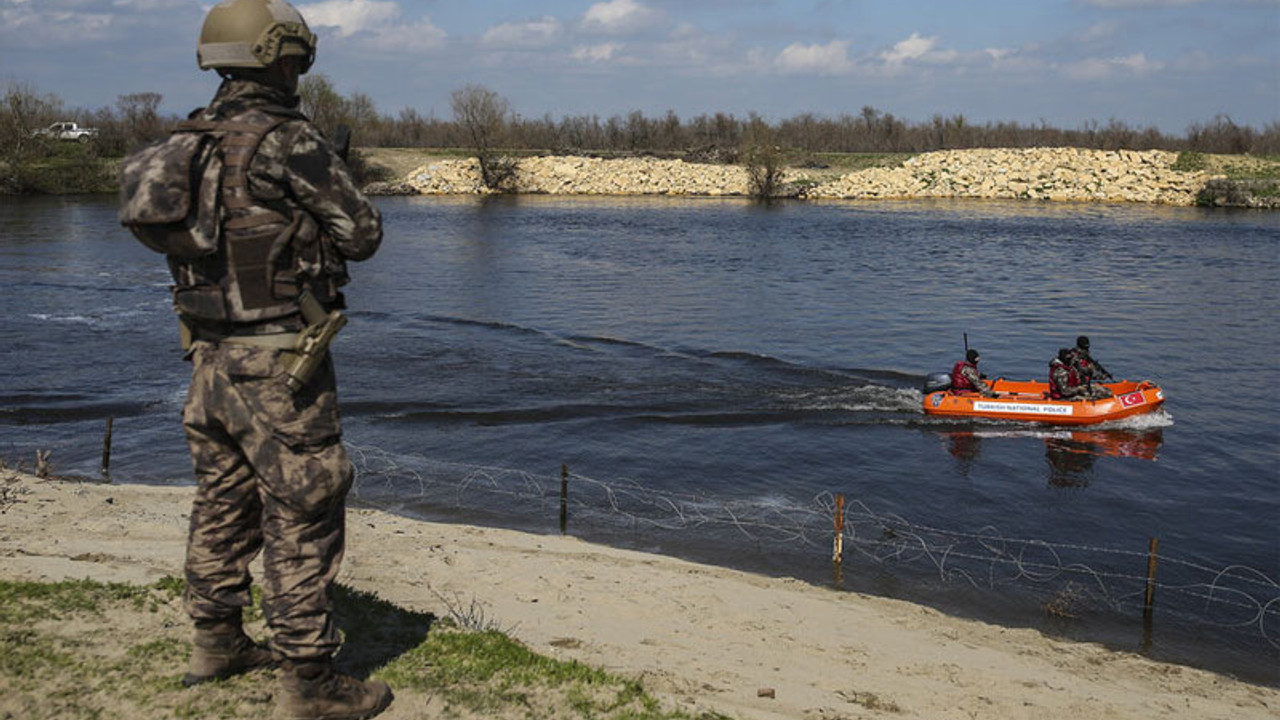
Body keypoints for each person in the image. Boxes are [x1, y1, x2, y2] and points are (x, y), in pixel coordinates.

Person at [121, 1, 390, 718]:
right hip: (280, 365)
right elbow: (362, 233)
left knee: (221, 501)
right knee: (304, 508)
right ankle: (308, 682)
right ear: (283, 57)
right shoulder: (286, 140)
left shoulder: (187, 139)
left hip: (207, 358)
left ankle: (215, 640)